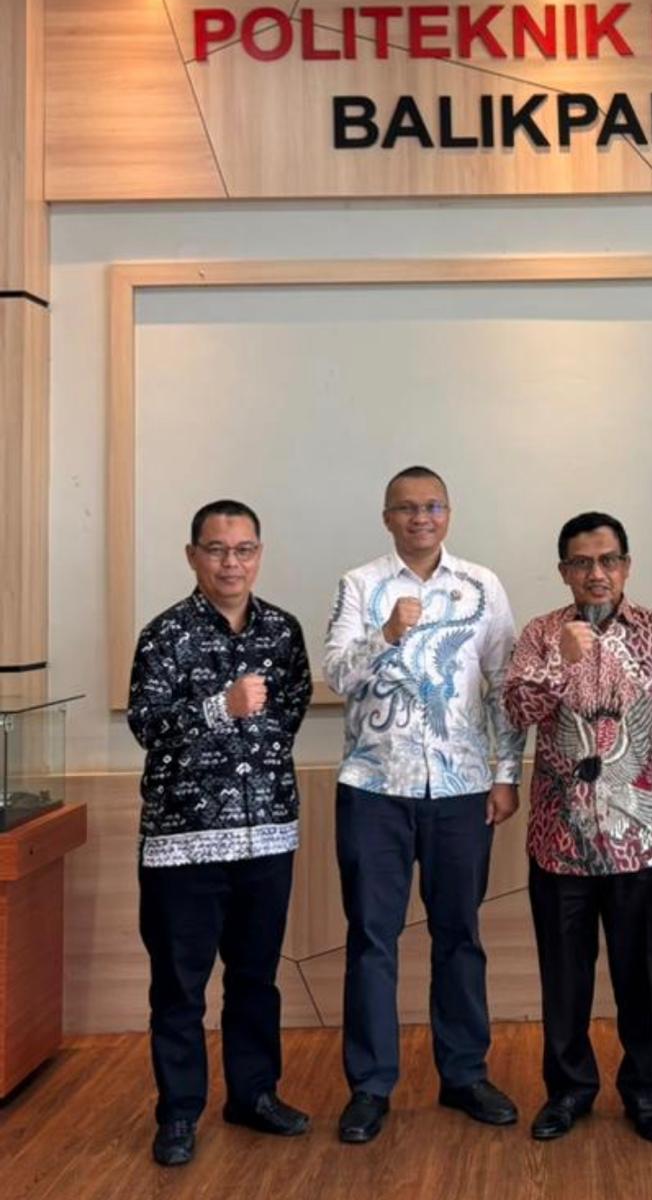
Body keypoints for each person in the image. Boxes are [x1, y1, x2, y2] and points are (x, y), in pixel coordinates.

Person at [324, 465, 525, 1144]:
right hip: (374, 788)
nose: (420, 518)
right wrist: (385, 633)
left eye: (432, 506)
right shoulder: (360, 584)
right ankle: (370, 1086)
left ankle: (464, 1074)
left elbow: (503, 685)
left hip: (462, 789)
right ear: (387, 517)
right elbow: (336, 674)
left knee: (459, 934)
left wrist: (505, 775)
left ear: (448, 513)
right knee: (371, 938)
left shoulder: (481, 585)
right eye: (406, 508)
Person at [504, 511, 652, 1144]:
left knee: (641, 976)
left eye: (609, 560)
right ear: (564, 570)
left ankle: (646, 1091)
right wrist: (560, 664)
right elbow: (516, 709)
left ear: (626, 565)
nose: (597, 573)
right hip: (558, 842)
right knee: (565, 979)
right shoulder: (540, 633)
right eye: (583, 562)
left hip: (637, 841)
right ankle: (569, 1090)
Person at [128, 499, 312, 1167]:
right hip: (184, 843)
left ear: (259, 554)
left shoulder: (283, 631)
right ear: (192, 556)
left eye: (243, 549)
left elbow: (289, 714)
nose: (231, 562)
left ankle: (253, 1095)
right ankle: (178, 1113)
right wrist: (218, 708)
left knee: (256, 977)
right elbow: (146, 725)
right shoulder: (164, 634)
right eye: (216, 549)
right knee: (180, 986)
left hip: (267, 837)